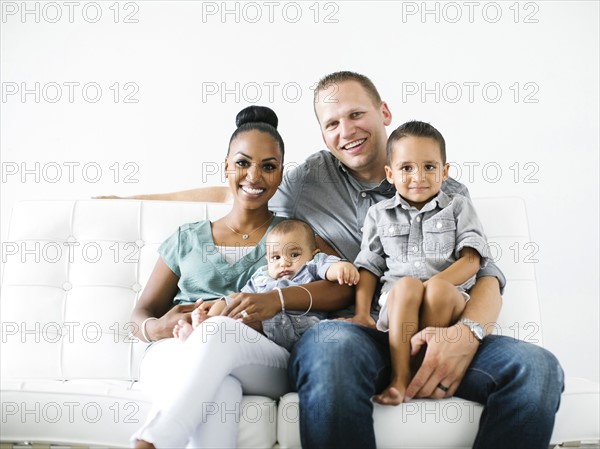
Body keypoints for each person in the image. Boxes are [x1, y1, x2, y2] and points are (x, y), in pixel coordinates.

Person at [111, 72, 564, 449]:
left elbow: (486, 271)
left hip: (434, 327)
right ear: (324, 136)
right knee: (330, 346)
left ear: (384, 113)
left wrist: (468, 333)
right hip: (356, 333)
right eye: (332, 123)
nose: (346, 131)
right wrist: (136, 197)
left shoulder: (433, 180)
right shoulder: (307, 182)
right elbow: (240, 187)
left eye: (356, 114)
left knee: (538, 369)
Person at [129, 105, 353, 449]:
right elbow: (141, 313)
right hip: (176, 345)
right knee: (220, 389)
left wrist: (274, 300)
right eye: (243, 163)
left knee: (219, 329)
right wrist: (157, 327)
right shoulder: (187, 237)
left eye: (268, 167)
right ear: (226, 166)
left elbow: (341, 289)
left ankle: (154, 440)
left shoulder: (293, 235)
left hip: (263, 356)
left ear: (280, 175)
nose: (254, 176)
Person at [350, 120, 489, 405]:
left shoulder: (457, 206)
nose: (418, 176)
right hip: (398, 301)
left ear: (445, 172)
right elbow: (369, 265)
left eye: (429, 167)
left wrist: (434, 284)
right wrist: (362, 313)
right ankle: (400, 379)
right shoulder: (379, 214)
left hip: (448, 300)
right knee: (408, 286)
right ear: (390, 174)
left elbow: (472, 259)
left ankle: (430, 368)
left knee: (435, 289)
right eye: (406, 168)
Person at [174, 218, 360, 351]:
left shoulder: (312, 264)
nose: (284, 263)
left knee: (254, 319)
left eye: (294, 255)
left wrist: (341, 268)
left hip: (296, 326)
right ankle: (204, 327)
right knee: (229, 302)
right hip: (258, 328)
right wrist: (223, 303)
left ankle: (212, 329)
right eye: (276, 257)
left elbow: (328, 267)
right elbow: (244, 296)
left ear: (313, 252)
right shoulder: (262, 276)